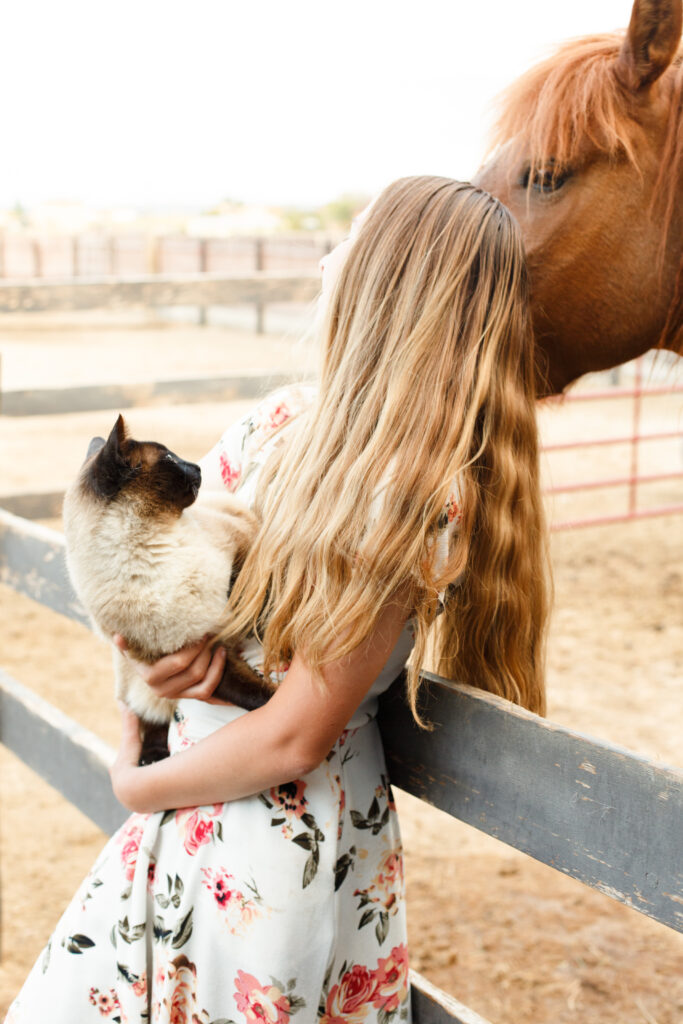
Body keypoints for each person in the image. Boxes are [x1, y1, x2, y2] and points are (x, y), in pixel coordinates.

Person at [5, 175, 549, 1024]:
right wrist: (155, 660)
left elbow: (295, 733)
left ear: (383, 281)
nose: (327, 256)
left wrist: (136, 783)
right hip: (206, 814)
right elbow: (148, 579)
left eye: (351, 240)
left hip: (269, 848)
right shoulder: (277, 424)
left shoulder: (407, 494)